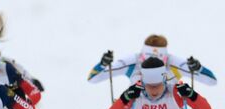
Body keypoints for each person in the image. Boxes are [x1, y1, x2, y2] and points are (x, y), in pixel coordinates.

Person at [105, 57, 213, 109]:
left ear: (164, 81)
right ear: (143, 82)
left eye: (158, 85)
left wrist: (193, 95)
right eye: (150, 86)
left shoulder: (175, 91)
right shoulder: (135, 93)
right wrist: (124, 97)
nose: (154, 91)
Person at [88, 34, 217, 86]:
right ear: (141, 55)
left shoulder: (174, 63)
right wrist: (103, 64)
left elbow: (212, 82)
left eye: (158, 61)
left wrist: (198, 68)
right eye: (147, 59)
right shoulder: (132, 62)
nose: (152, 64)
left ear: (165, 58)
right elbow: (93, 79)